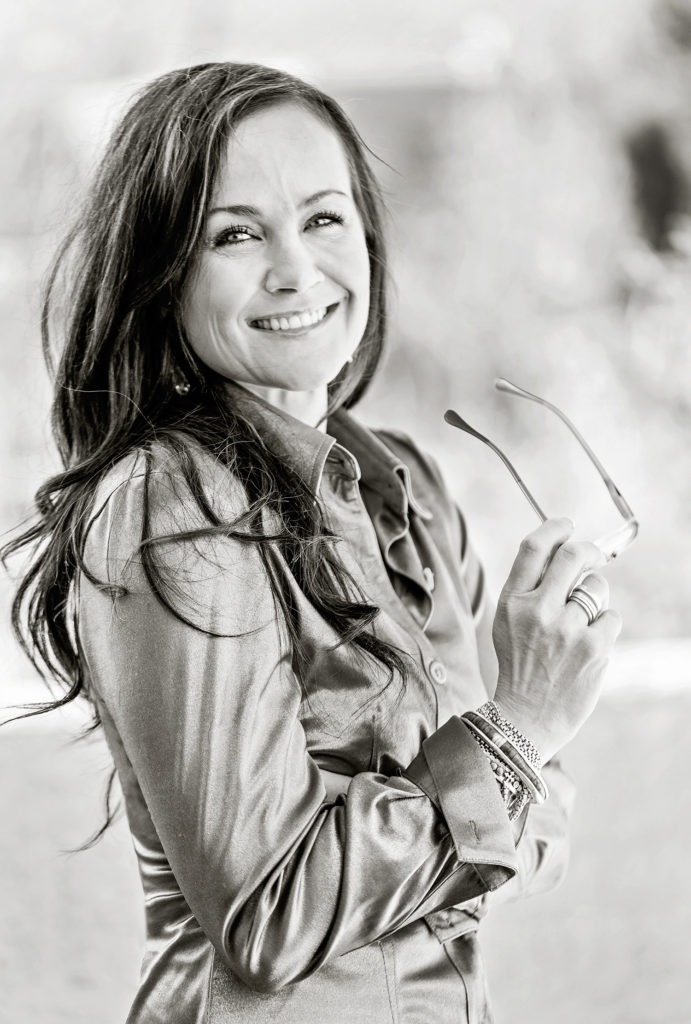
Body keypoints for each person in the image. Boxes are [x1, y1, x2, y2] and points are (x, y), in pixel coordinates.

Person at [4, 62, 622, 1023]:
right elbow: (268, 919)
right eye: (236, 234)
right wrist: (516, 732)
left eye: (324, 218)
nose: (296, 271)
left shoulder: (405, 486)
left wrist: (496, 768)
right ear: (162, 272)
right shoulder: (171, 506)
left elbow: (530, 850)